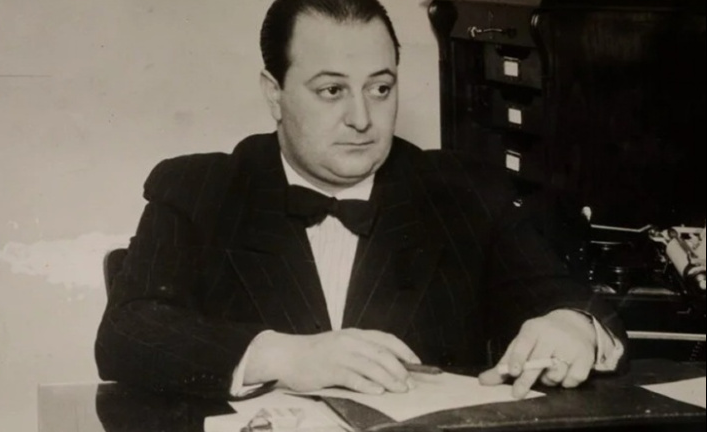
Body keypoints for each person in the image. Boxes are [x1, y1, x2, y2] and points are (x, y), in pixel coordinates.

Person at [94, 0, 626, 401]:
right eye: (332, 90)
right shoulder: (200, 188)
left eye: (380, 88)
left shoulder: (462, 189)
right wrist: (285, 355)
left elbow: (570, 299)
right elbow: (126, 332)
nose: (362, 119)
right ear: (274, 93)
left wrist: (572, 326)